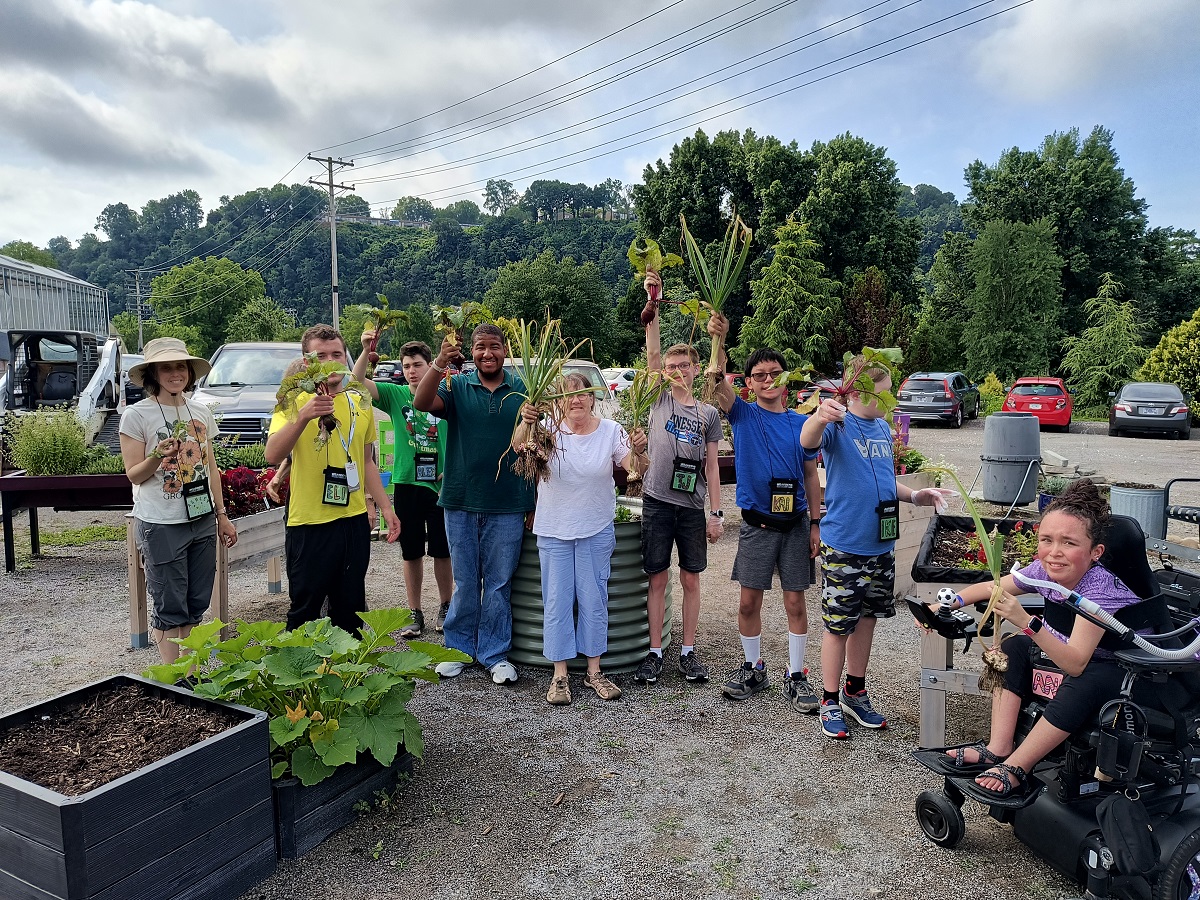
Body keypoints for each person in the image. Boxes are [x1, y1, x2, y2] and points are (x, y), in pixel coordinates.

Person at [932, 481, 1151, 795]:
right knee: (1012, 647)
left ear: (1095, 552)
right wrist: (945, 603)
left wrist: (1026, 621)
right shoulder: (1047, 570)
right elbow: (993, 589)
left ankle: (1018, 765)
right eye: (1046, 540)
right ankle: (999, 747)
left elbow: (1075, 664)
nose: (1055, 552)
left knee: (1087, 678)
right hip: (1087, 658)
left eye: (1069, 543)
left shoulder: (1099, 589)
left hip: (1135, 671)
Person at [800, 359, 950, 739]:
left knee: (866, 621)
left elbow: (885, 482)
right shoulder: (838, 425)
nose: (889, 399)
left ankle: (855, 690)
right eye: (883, 392)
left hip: (880, 547)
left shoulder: (883, 428)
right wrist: (819, 416)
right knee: (838, 627)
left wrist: (916, 494)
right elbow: (807, 441)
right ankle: (829, 699)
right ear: (862, 391)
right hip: (844, 548)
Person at [706, 318, 821, 710]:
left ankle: (796, 675)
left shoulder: (802, 423)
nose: (768, 380)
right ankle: (754, 668)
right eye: (759, 375)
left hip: (795, 525)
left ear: (786, 380)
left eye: (775, 373)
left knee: (794, 603)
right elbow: (716, 380)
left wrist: (816, 524)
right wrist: (718, 337)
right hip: (757, 525)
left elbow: (810, 475)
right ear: (749, 383)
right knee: (748, 604)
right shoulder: (742, 415)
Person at [413, 323, 535, 684]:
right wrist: (438, 362)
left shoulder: (524, 389)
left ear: (505, 349)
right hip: (461, 500)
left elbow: (540, 447)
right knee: (466, 580)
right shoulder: (457, 386)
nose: (487, 354)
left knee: (498, 583)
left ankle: (495, 654)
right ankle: (458, 650)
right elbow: (421, 402)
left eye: (494, 347)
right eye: (480, 347)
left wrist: (534, 501)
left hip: (509, 502)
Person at [517, 374, 649, 705]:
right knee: (558, 601)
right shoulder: (545, 429)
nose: (576, 400)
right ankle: (560, 675)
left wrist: (640, 450)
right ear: (558, 401)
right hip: (554, 530)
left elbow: (635, 466)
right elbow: (520, 445)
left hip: (595, 529)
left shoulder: (611, 431)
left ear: (593, 399)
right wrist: (525, 420)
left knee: (594, 599)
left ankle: (594, 672)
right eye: (568, 395)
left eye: (583, 394)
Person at [266, 324, 399, 633]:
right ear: (306, 361)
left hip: (352, 521)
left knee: (350, 611)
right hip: (309, 522)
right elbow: (272, 455)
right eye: (320, 356)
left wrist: (386, 508)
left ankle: (346, 677)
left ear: (345, 357)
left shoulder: (359, 402)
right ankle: (301, 680)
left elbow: (366, 462)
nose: (330, 362)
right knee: (304, 612)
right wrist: (304, 417)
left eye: (336, 354)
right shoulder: (293, 401)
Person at [119, 337, 238, 664]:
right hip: (160, 521)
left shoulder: (199, 410)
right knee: (170, 605)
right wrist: (158, 455)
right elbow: (134, 475)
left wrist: (222, 515)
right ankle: (177, 682)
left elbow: (211, 468)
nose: (175, 373)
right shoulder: (135, 415)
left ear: (189, 371)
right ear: (153, 374)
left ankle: (192, 676)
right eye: (166, 367)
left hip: (200, 519)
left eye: (180, 366)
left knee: (195, 602)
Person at [632, 271, 724, 686]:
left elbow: (712, 466)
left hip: (691, 507)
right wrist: (655, 296)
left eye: (682, 366)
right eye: (670, 366)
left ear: (695, 367)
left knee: (690, 577)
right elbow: (652, 354)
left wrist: (717, 513)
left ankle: (687, 651)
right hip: (656, 502)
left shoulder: (706, 413)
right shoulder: (659, 399)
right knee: (657, 576)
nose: (674, 371)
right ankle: (655, 652)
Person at [353, 336, 453, 638]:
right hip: (408, 483)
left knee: (441, 551)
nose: (412, 371)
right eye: (407, 366)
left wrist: (450, 470)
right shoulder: (394, 394)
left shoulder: (447, 395)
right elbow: (356, 381)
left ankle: (446, 605)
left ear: (429, 365)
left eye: (417, 365)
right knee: (410, 553)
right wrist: (365, 351)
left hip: (439, 485)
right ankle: (415, 611)